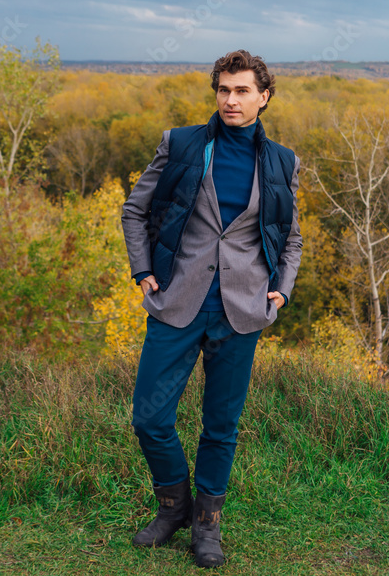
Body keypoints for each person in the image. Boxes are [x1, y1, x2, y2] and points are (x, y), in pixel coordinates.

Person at [121, 49, 302, 568]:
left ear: (264, 98)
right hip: (177, 300)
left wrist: (281, 290)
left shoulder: (282, 161)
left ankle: (207, 526)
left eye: (243, 90)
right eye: (224, 89)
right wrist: (142, 270)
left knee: (220, 426)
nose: (231, 100)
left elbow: (291, 237)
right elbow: (135, 210)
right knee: (149, 418)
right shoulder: (180, 144)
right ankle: (174, 504)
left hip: (241, 310)